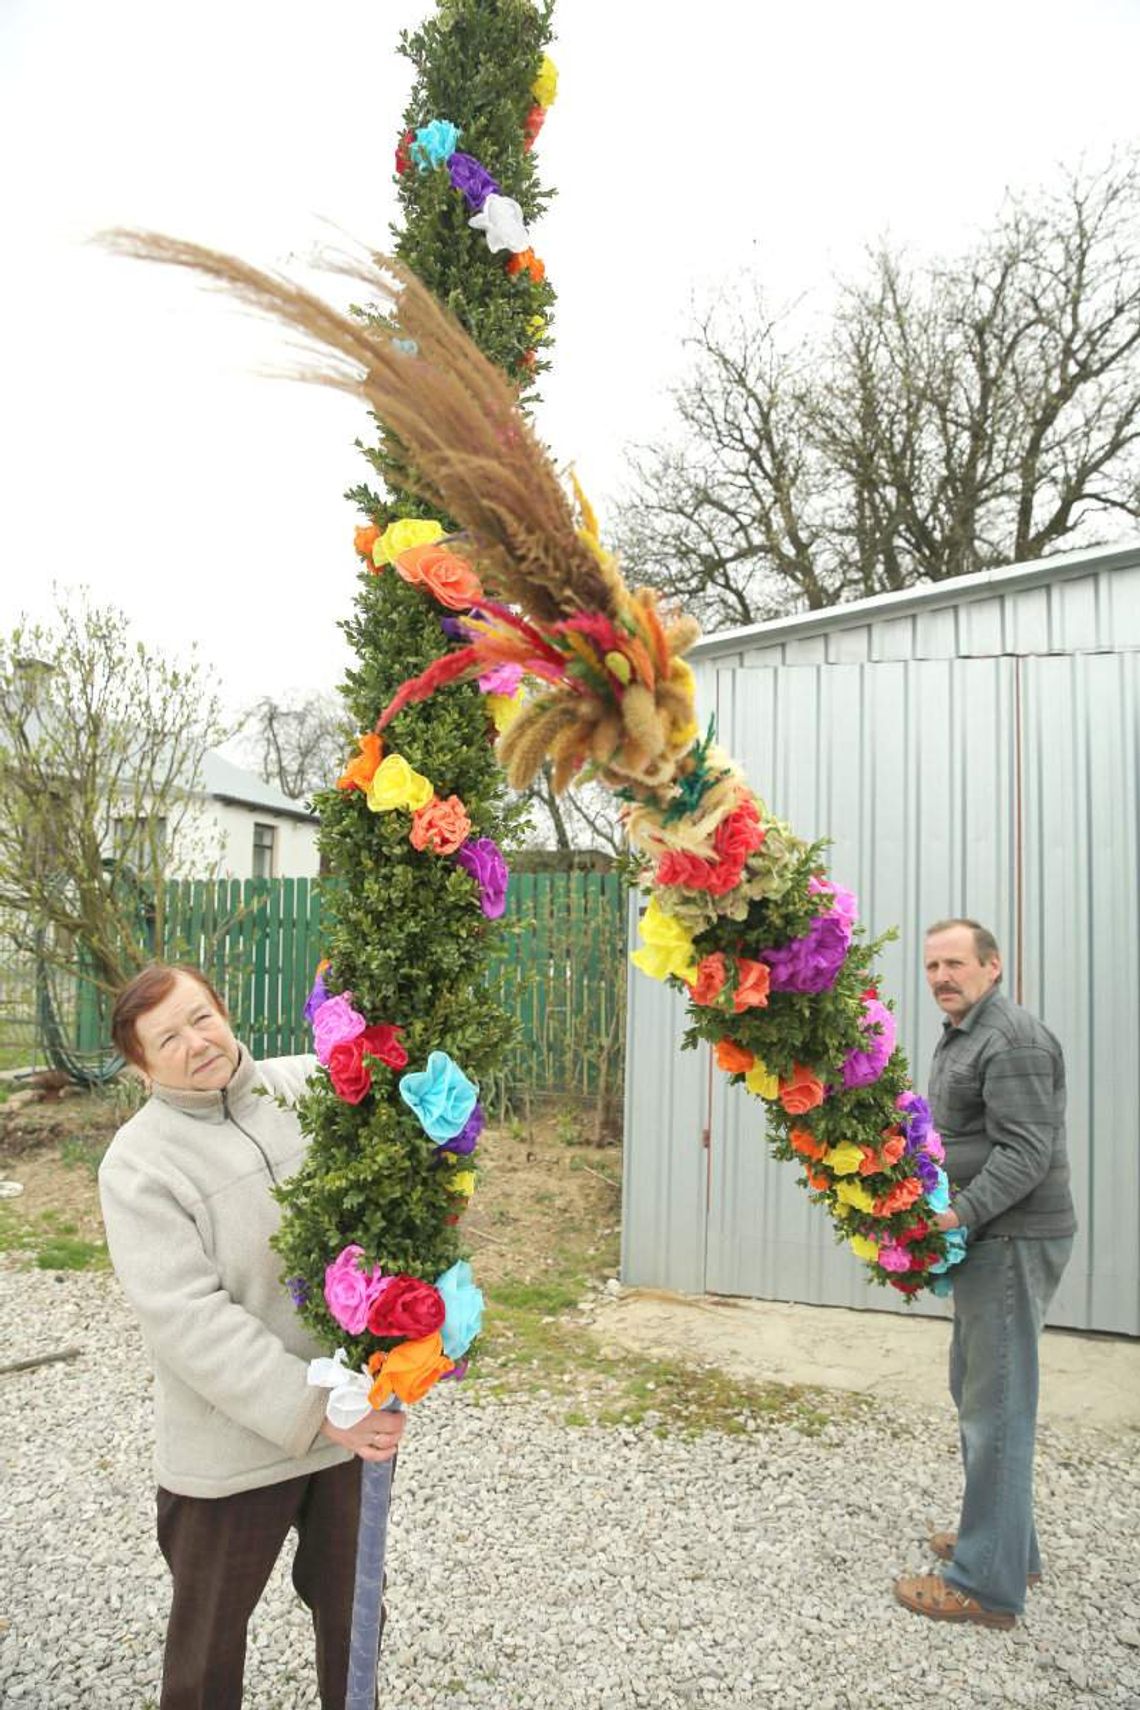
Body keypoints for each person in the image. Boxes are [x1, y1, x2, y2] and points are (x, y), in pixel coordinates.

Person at [98, 962, 404, 1709]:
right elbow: (188, 1320)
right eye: (167, 1037)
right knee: (206, 1647)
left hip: (350, 1425)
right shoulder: (139, 1164)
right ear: (141, 1065)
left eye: (201, 1017)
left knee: (355, 1618)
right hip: (229, 1453)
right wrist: (314, 1408)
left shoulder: (307, 1086)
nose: (196, 1042)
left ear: (224, 1010)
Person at [894, 919, 1076, 1630]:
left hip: (1009, 1238)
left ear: (993, 966)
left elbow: (1026, 1153)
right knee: (979, 1389)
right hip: (989, 1238)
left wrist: (955, 1215)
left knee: (995, 1406)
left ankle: (985, 1587)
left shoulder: (1011, 1039)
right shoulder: (967, 1030)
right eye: (933, 965)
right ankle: (1006, 1547)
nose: (942, 976)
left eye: (957, 964)